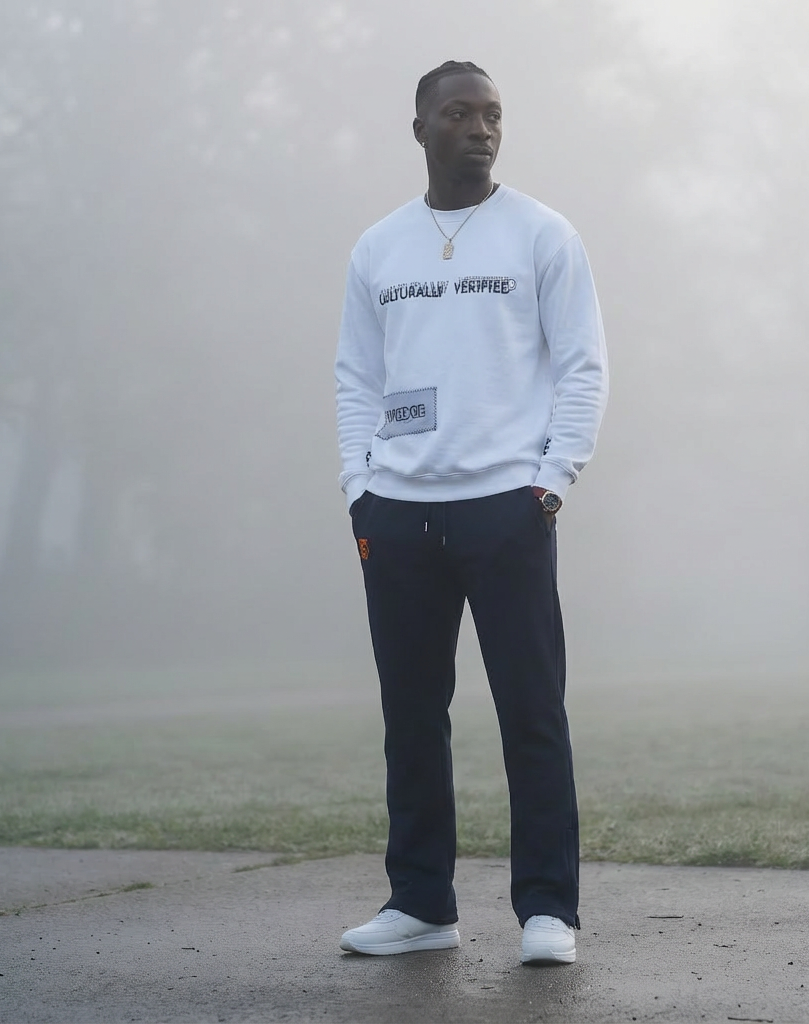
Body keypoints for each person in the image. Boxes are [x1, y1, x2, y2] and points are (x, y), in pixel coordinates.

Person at [334, 60, 608, 965]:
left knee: (532, 710)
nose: (481, 129)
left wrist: (552, 480)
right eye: (460, 114)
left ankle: (547, 912)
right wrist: (358, 487)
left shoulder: (542, 234)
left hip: (507, 508)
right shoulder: (379, 247)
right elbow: (357, 379)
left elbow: (582, 367)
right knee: (411, 713)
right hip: (400, 512)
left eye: (493, 115)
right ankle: (421, 904)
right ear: (420, 129)